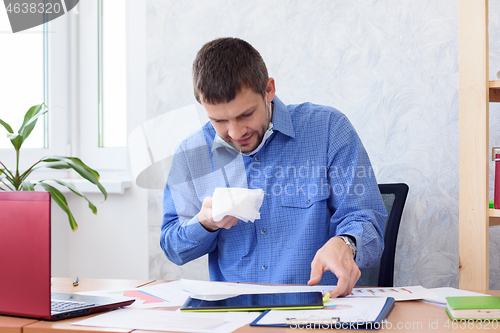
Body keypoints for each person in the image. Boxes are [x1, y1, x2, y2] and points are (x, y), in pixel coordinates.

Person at [160, 37, 387, 297]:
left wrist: (346, 243)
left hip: (320, 309)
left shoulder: (328, 129)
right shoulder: (191, 155)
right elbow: (172, 246)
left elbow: (367, 220)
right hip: (236, 314)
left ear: (269, 90)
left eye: (245, 115)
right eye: (219, 120)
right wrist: (205, 223)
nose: (235, 132)